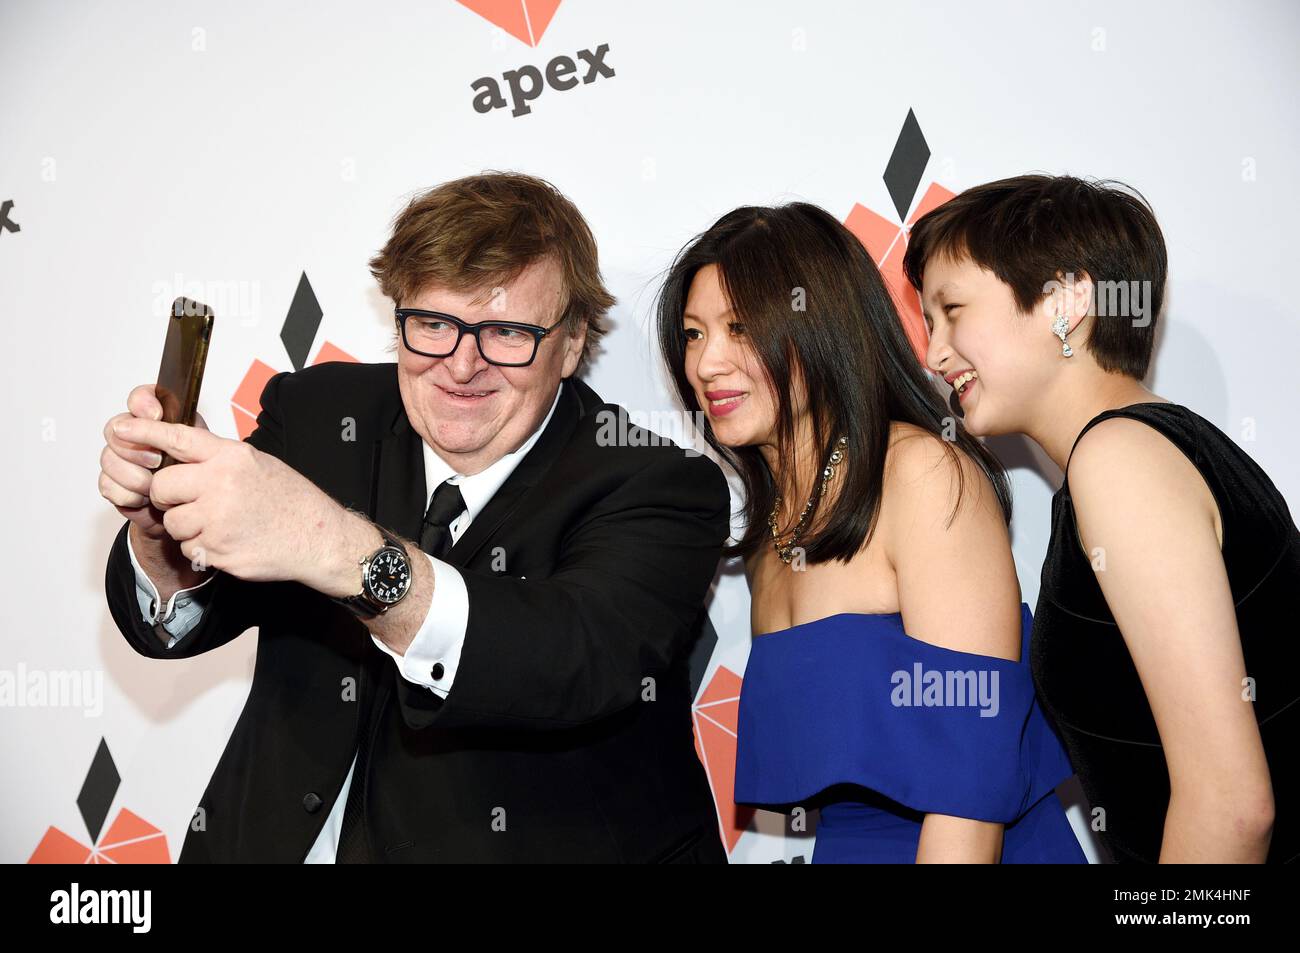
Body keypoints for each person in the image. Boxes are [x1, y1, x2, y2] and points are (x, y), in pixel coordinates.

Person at [98, 171, 731, 863]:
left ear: (573, 341)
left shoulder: (660, 483)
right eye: (432, 324)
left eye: (507, 332)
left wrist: (333, 546)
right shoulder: (317, 412)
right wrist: (163, 530)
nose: (461, 365)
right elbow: (196, 611)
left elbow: (569, 660)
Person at [657, 201, 1086, 862]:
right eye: (692, 333)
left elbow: (971, 787)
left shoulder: (918, 474)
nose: (708, 362)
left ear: (821, 327)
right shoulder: (775, 537)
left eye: (739, 327)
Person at [903, 173, 1298, 863]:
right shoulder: (1144, 451)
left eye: (953, 310)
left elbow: (1233, 807)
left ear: (1065, 300)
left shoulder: (1121, 460)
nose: (933, 354)